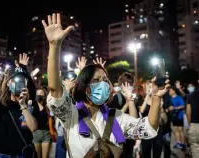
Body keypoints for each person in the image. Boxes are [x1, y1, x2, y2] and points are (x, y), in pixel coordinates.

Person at [42, 13, 169, 158]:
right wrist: (54, 45)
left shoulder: (117, 117)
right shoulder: (71, 115)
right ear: (84, 86)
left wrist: (156, 97)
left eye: (105, 79)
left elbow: (149, 128)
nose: (103, 84)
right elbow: (55, 89)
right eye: (97, 80)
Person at [33, 88, 52, 158]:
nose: (40, 95)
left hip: (46, 133)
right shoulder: (32, 106)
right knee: (36, 156)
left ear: (44, 95)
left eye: (42, 94)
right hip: (35, 134)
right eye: (38, 94)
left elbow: (50, 117)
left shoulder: (47, 106)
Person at [186, 89, 199, 158]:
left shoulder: (191, 95)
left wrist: (190, 124)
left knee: (195, 150)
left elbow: (188, 113)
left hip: (194, 126)